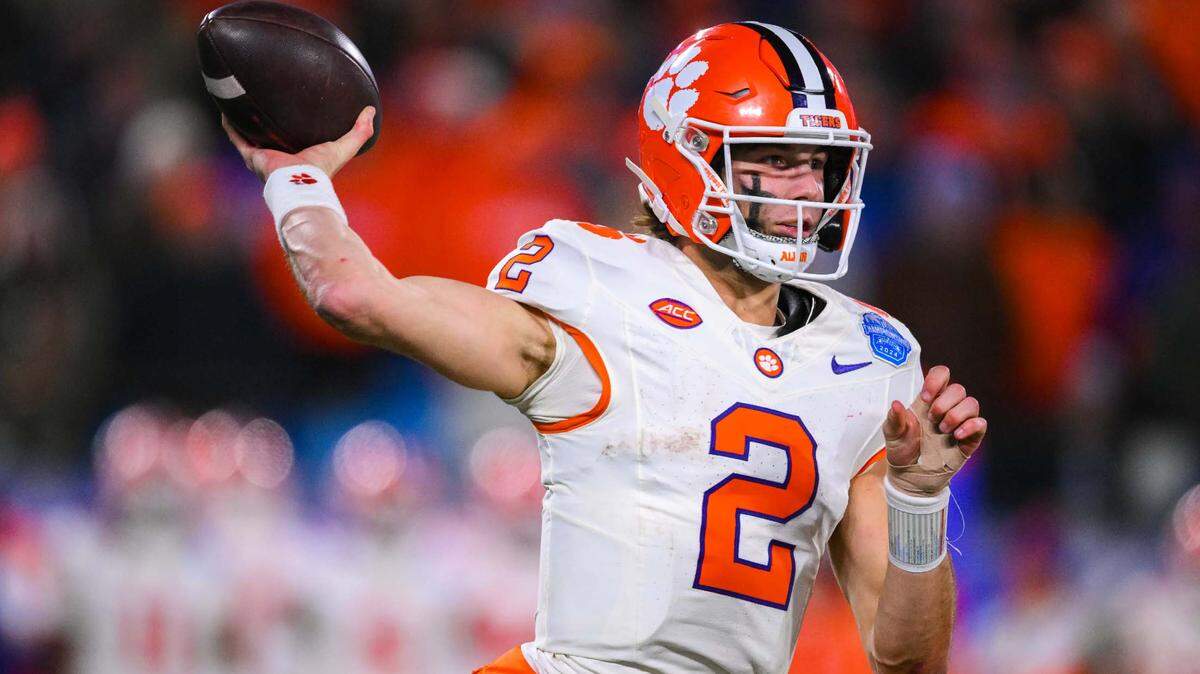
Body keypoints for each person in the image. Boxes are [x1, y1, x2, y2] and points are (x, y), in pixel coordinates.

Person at [222, 22, 987, 674]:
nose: (803, 191)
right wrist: (298, 182)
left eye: (817, 165)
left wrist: (919, 500)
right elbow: (356, 296)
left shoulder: (867, 355)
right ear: (686, 155)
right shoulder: (598, 286)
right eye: (775, 159)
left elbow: (910, 662)